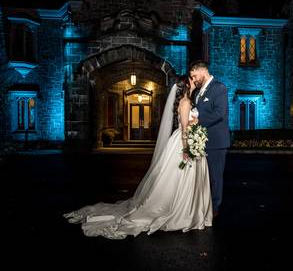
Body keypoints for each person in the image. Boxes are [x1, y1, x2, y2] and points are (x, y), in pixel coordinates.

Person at [63, 75, 212, 239]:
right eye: (191, 80)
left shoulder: (189, 101)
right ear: (186, 85)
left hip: (190, 139)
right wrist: (186, 148)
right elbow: (184, 128)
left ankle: (191, 208)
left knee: (185, 178)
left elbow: (190, 124)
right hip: (183, 143)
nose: (194, 81)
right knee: (179, 177)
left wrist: (196, 129)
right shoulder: (185, 102)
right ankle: (182, 210)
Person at [189, 60, 230, 217]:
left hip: (217, 142)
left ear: (202, 71)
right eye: (192, 77)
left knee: (215, 176)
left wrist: (199, 120)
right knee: (204, 176)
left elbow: (220, 113)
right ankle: (205, 204)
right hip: (203, 140)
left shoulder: (219, 88)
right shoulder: (200, 91)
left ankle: (215, 208)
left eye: (194, 76)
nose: (193, 79)